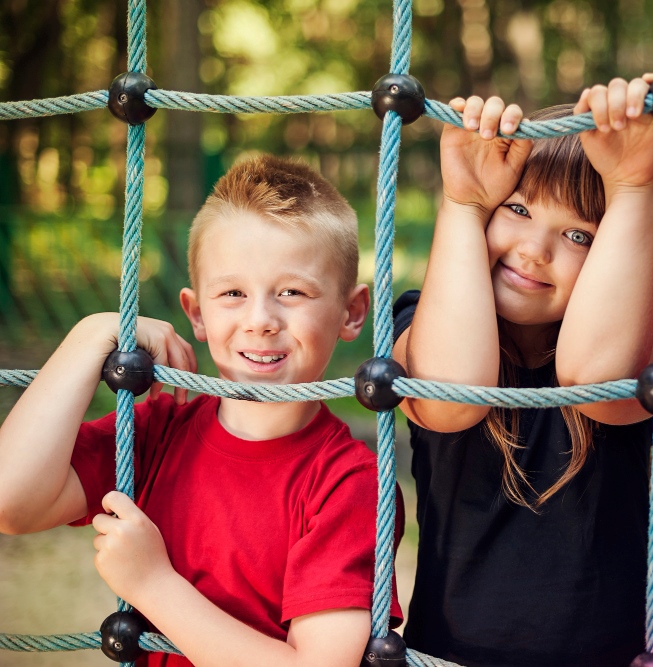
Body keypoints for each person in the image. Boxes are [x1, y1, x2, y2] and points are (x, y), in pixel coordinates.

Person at [0, 155, 403, 667]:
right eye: (233, 293)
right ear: (196, 312)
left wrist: (152, 584)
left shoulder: (349, 483)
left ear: (352, 312)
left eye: (292, 292)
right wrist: (90, 336)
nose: (261, 320)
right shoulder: (155, 431)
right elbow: (10, 501)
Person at [391, 76, 653, 667]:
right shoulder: (423, 320)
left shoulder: (643, 354)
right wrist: (464, 203)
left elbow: (594, 378)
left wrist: (631, 189)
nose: (534, 250)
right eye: (517, 209)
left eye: (579, 234)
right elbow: (451, 398)